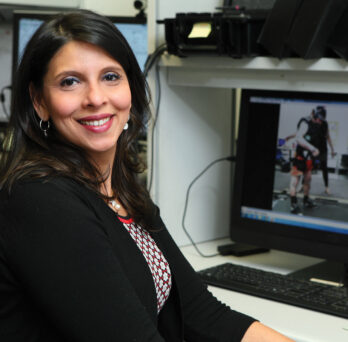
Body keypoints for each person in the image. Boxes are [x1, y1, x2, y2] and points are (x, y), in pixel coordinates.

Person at [0, 10, 293, 342]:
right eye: (70, 82)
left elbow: (202, 315)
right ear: (39, 101)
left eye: (111, 76)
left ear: (131, 86)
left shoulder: (120, 189)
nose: (96, 98)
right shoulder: (41, 198)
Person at [288, 109, 322, 214]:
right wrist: (313, 149)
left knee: (308, 180)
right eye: (317, 118)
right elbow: (299, 138)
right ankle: (293, 205)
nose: (318, 121)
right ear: (313, 114)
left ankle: (306, 200)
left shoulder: (316, 124)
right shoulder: (305, 122)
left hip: (309, 159)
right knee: (295, 181)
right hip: (299, 158)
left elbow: (302, 135)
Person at [311, 106, 336, 195]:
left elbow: (328, 137)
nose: (321, 120)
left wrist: (332, 150)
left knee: (324, 168)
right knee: (308, 167)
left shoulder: (325, 123)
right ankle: (302, 185)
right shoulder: (313, 122)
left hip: (323, 149)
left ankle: (327, 187)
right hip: (314, 149)